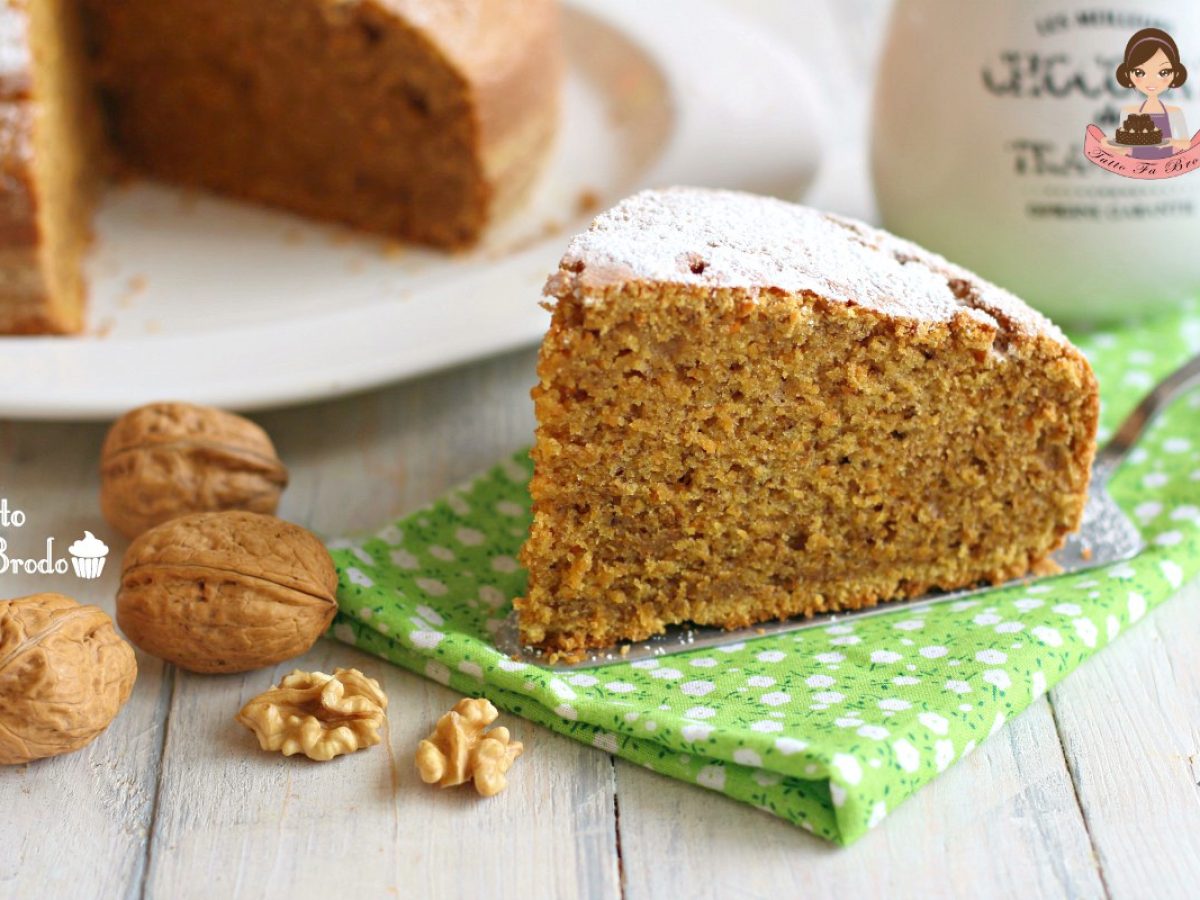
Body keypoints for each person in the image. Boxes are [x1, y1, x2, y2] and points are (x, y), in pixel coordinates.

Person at [1105, 28, 1190, 160]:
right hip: (1134, 170)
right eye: (1140, 73)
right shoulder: (1128, 112)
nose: (1151, 81)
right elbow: (1123, 149)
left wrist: (1170, 142)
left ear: (1176, 73)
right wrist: (1107, 144)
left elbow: (1186, 144)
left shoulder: (1175, 112)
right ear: (1127, 74)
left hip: (1166, 169)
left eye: (1163, 72)